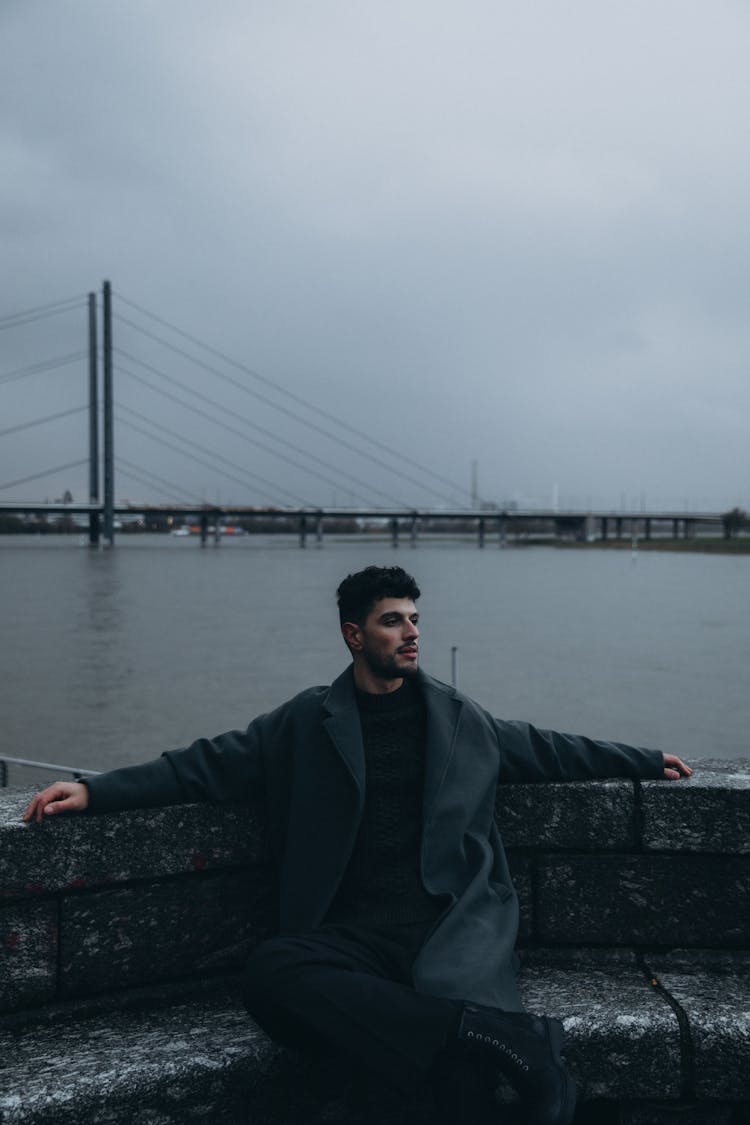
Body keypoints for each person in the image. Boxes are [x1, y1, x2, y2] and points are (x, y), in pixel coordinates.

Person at [23, 565, 691, 1124]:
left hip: (447, 928)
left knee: (459, 1091)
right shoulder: (304, 722)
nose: (412, 633)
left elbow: (550, 748)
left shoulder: (461, 719)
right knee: (270, 971)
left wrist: (644, 758)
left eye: (415, 619)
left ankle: (476, 1037)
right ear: (353, 634)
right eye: (393, 621)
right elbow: (201, 764)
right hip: (352, 937)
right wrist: (96, 791)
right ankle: (494, 1033)